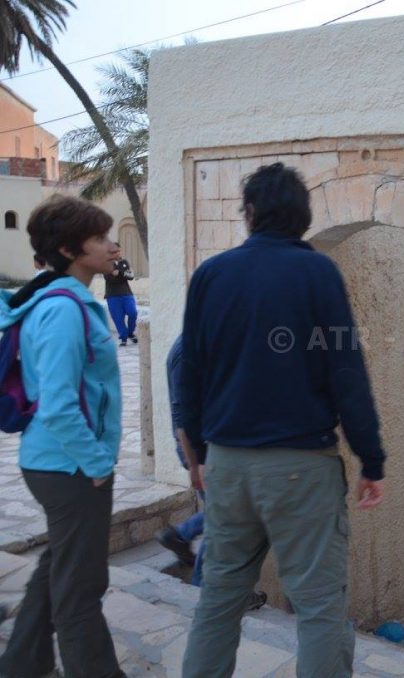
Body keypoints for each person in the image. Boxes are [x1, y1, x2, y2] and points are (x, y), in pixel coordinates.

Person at [179, 163, 386, 678]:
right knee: (318, 610)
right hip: (301, 469)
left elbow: (189, 373)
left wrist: (197, 457)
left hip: (227, 466)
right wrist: (371, 459)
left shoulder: (211, 275)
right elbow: (346, 371)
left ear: (249, 213)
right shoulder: (317, 273)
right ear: (302, 218)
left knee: (218, 601)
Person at [0, 195, 125, 678]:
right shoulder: (63, 310)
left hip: (62, 464)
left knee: (58, 570)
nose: (113, 246)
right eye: (100, 239)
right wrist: (95, 464)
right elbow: (56, 402)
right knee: (81, 590)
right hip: (70, 468)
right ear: (72, 250)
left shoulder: (68, 301)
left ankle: (21, 665)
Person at [155, 335, 267, 609]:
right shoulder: (187, 351)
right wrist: (197, 462)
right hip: (204, 453)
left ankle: (183, 535)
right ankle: (204, 588)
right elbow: (183, 414)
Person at [103, 243, 137, 347]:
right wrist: (122, 274)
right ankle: (123, 338)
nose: (117, 253)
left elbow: (130, 276)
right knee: (118, 318)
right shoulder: (106, 264)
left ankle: (130, 332)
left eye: (118, 251)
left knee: (133, 313)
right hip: (112, 295)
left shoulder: (124, 262)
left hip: (126, 293)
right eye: (115, 251)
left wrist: (119, 273)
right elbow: (110, 278)